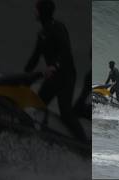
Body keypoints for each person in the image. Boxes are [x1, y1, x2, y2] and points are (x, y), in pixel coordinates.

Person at [24, 0, 87, 142]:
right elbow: (34, 58)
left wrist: (55, 65)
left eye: (37, 9)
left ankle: (84, 145)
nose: (35, 12)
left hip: (66, 76)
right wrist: (23, 74)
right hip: (53, 77)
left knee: (65, 112)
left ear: (43, 12)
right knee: (37, 105)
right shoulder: (42, 33)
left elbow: (65, 51)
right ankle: (36, 135)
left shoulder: (58, 27)